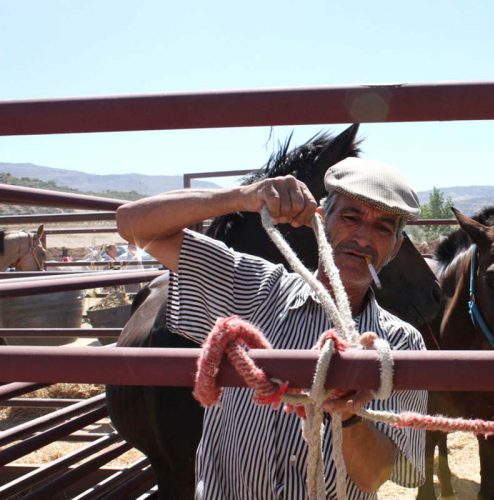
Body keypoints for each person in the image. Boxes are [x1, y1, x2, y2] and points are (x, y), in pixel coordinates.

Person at [115, 157, 427, 499]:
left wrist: (350, 417)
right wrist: (242, 197)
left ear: (396, 247)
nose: (363, 237)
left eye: (383, 227)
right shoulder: (253, 287)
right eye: (351, 217)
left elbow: (381, 477)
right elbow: (131, 224)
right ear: (321, 221)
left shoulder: (401, 343)